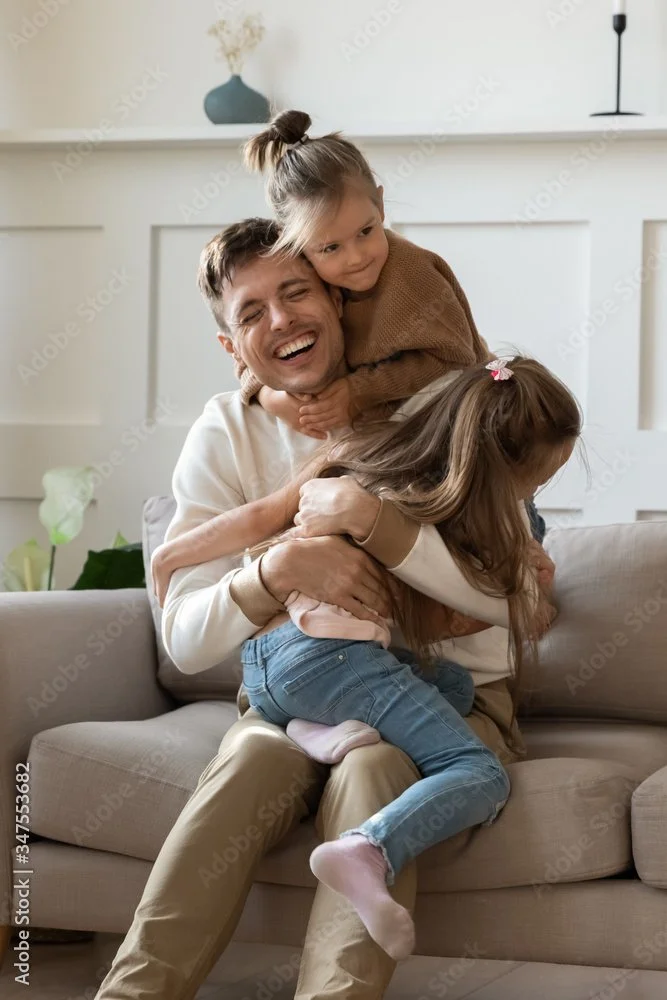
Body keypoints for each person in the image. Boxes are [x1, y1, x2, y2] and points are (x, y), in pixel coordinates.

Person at [95, 218, 552, 1000]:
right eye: (250, 312)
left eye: (297, 291)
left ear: (339, 302)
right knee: (246, 761)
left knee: (376, 767)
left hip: (449, 693)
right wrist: (275, 573)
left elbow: (520, 601)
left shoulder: (438, 407)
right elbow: (183, 637)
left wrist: (386, 537)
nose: (280, 320)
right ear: (232, 348)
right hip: (298, 696)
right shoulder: (226, 429)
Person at [240, 356, 578, 960]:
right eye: (537, 479)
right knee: (479, 775)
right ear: (500, 471)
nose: (536, 496)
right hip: (325, 661)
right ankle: (366, 849)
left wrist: (532, 583)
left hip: (269, 668)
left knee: (450, 684)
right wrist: (523, 590)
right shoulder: (419, 514)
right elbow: (469, 614)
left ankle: (308, 729)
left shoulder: (390, 479)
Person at [150, 107, 494, 604]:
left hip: (461, 438)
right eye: (330, 248)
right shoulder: (232, 417)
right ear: (300, 246)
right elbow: (254, 357)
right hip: (362, 458)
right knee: (290, 507)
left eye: (366, 232)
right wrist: (269, 394)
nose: (356, 258)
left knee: (299, 506)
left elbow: (455, 359)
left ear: (381, 202)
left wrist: (355, 391)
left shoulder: (410, 277)